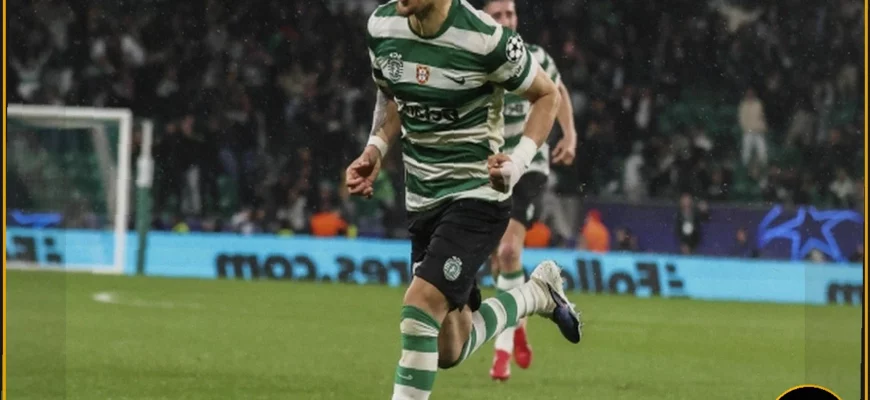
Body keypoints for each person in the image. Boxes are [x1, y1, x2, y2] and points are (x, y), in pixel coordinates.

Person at [345, 1, 582, 398]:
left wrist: (519, 162)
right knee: (448, 348)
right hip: (422, 199)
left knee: (420, 307)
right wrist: (375, 148)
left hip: (477, 196)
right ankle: (537, 293)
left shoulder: (485, 38)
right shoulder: (382, 26)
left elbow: (547, 95)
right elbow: (392, 96)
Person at [481, 0, 579, 381]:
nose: (507, 20)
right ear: (484, 19)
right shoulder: (476, 61)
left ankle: (501, 353)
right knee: (499, 263)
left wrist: (569, 134)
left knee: (509, 251)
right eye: (498, 15)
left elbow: (558, 91)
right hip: (487, 169)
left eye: (511, 13)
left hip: (528, 167)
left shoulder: (535, 56)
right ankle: (519, 319)